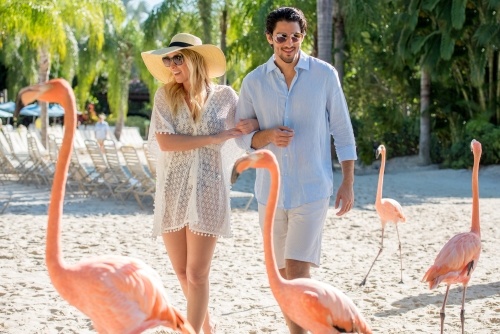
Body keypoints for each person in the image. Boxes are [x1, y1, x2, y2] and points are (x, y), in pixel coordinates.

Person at [235, 7, 357, 334]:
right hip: (270, 197)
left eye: (295, 36)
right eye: (281, 37)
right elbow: (243, 138)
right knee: (282, 278)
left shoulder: (324, 75)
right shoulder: (253, 82)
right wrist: (268, 135)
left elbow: (343, 131)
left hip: (313, 189)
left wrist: (348, 181)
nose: (289, 43)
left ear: (303, 36)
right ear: (269, 38)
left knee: (298, 272)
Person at [141, 33, 257, 334]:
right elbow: (165, 142)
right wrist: (214, 138)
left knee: (197, 273)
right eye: (167, 60)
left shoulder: (226, 97)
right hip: (172, 189)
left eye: (176, 58)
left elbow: (248, 126)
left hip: (208, 190)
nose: (171, 65)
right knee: (181, 271)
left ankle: (192, 331)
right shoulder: (165, 96)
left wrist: (251, 125)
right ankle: (207, 326)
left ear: (194, 59)